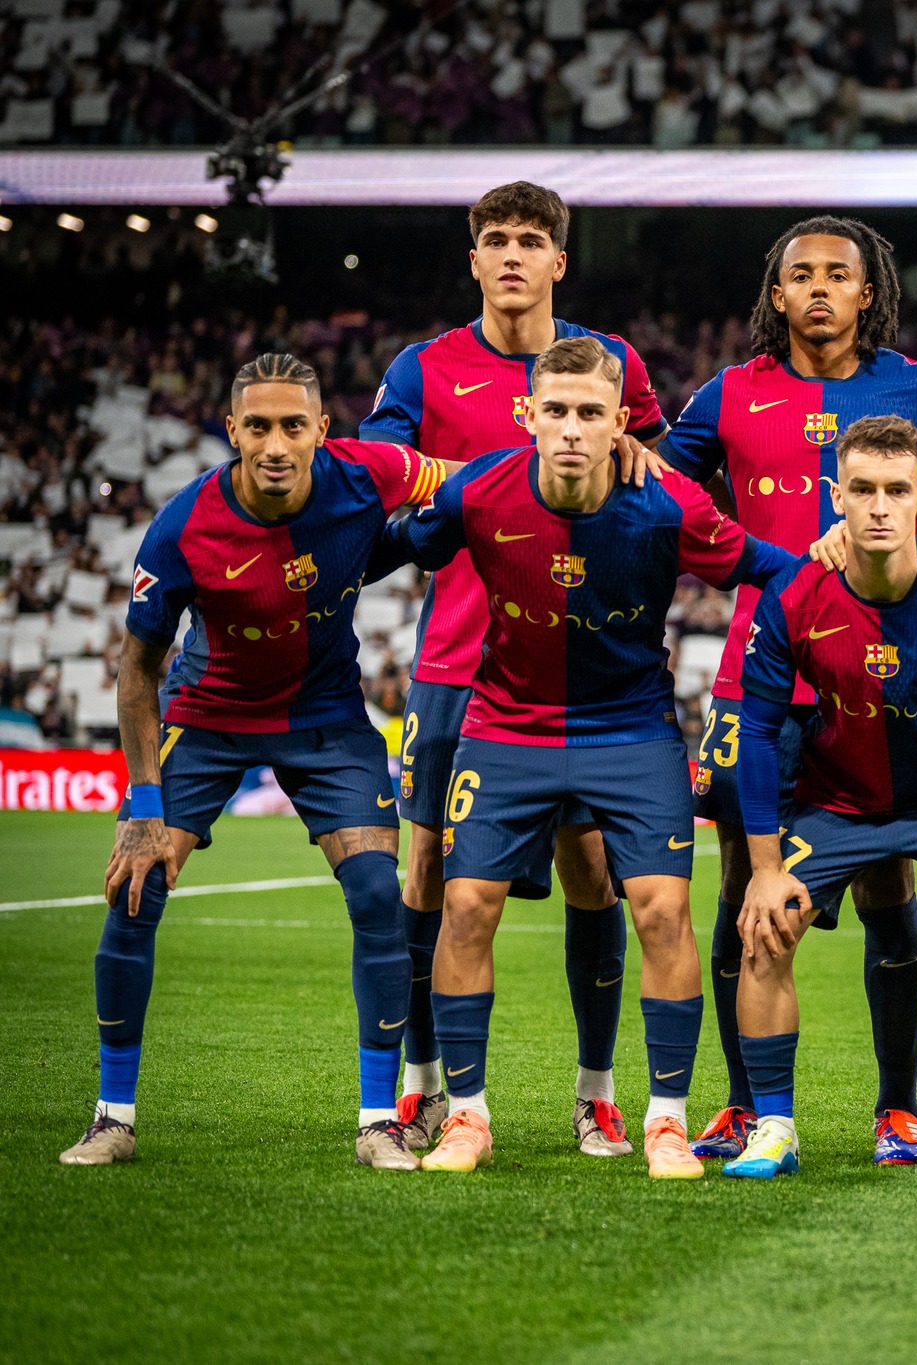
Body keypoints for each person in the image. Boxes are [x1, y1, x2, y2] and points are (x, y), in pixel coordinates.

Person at [377, 336, 793, 1178]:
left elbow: (769, 566)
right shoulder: (481, 488)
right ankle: (467, 1115)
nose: (571, 428)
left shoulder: (667, 500)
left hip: (630, 732)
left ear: (622, 425)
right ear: (529, 415)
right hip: (507, 727)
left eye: (591, 413)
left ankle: (666, 1122)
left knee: (663, 914)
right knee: (464, 907)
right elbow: (392, 543)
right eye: (556, 410)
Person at [659, 215, 917, 1166]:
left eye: (838, 275)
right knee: (746, 883)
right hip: (761, 678)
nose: (819, 287)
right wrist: (772, 563)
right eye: (799, 274)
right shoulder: (729, 395)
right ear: (776, 295)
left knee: (892, 874)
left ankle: (896, 1108)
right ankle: (741, 1104)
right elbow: (660, 490)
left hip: (890, 680)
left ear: (870, 293)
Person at [60, 354, 448, 1170]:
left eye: (293, 425)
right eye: (259, 426)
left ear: (322, 431)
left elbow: (463, 477)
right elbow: (137, 670)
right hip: (209, 713)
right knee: (137, 889)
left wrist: (573, 460)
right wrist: (140, 804)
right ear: (231, 430)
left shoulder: (369, 472)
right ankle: (111, 1116)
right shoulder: (184, 524)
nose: (276, 444)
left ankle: (380, 1119)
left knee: (381, 893)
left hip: (327, 713)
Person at [360, 180, 673, 1159]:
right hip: (458, 664)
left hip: (583, 671)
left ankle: (596, 1093)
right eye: (493, 240)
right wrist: (481, 480)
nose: (510, 256)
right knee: (430, 876)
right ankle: (422, 1091)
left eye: (529, 241)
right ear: (473, 258)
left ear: (557, 261)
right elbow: (379, 477)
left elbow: (655, 484)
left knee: (593, 875)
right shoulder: (424, 369)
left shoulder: (608, 365)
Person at [724, 415, 917, 1186]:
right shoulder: (794, 595)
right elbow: (757, 734)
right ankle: (774, 1126)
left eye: (897, 490)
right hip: (836, 798)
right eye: (861, 489)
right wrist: (764, 868)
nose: (878, 506)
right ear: (836, 495)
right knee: (764, 929)